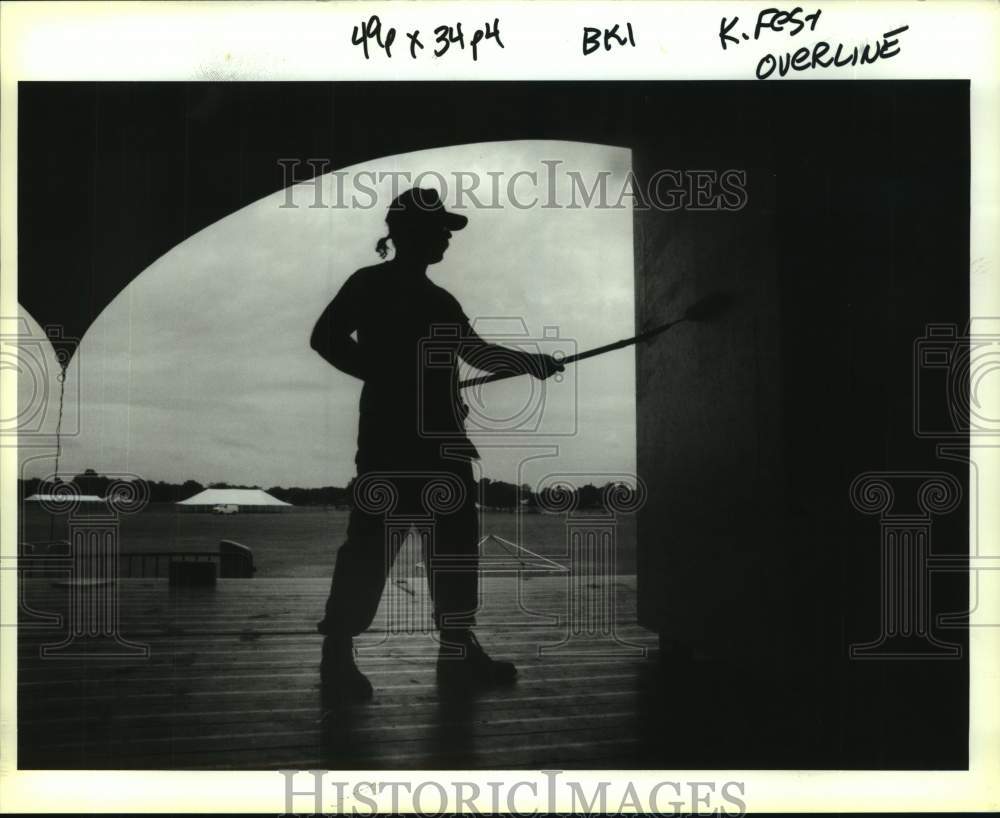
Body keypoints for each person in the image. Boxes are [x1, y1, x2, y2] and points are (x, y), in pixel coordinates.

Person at [311, 187, 563, 705]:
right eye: (439, 227)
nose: (447, 236)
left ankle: (458, 650)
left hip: (447, 450)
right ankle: (336, 654)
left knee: (452, 556)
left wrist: (529, 362)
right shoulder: (369, 283)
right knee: (369, 551)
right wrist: (384, 376)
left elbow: (475, 352)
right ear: (408, 232)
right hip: (388, 445)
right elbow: (326, 338)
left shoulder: (441, 300)